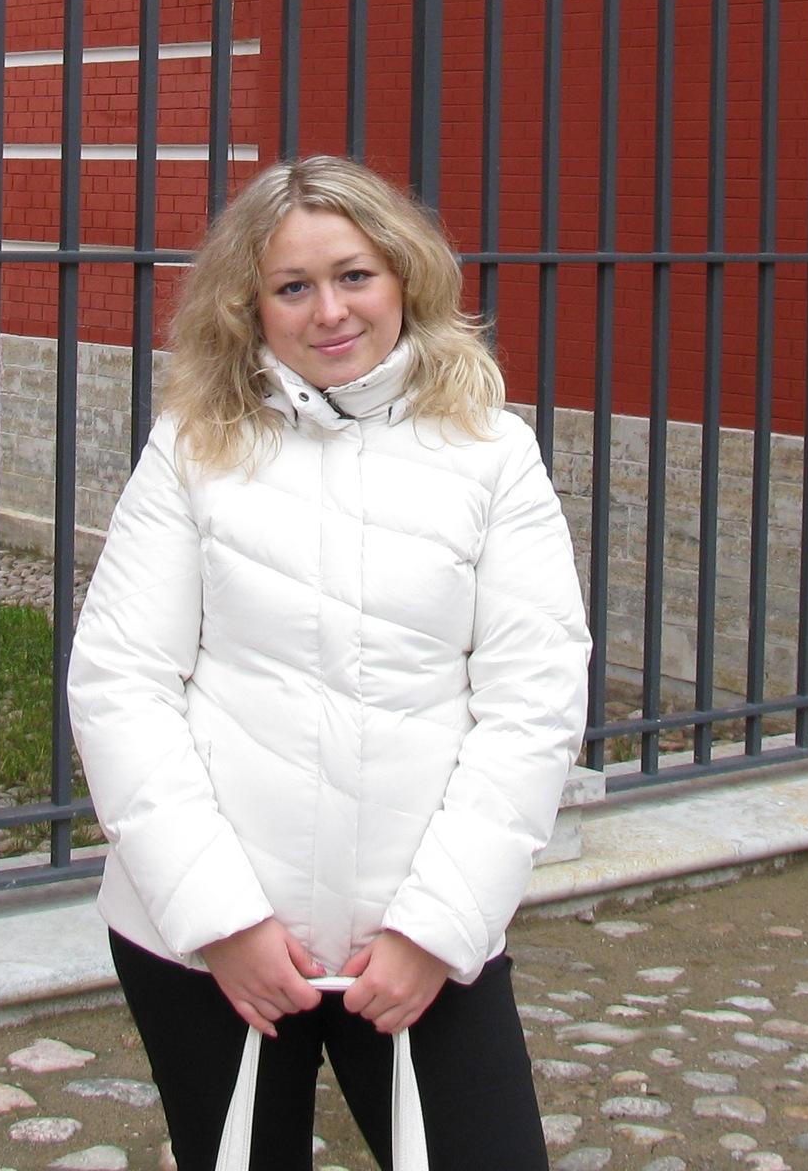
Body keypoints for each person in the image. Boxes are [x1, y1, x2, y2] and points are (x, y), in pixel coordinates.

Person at [68, 155, 592, 1171]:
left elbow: (533, 701)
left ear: (403, 275)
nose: (330, 312)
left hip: (417, 943)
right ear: (249, 306)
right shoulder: (193, 446)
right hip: (211, 949)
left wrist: (435, 930)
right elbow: (121, 684)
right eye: (292, 287)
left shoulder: (492, 452)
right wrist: (222, 921)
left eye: (354, 275)